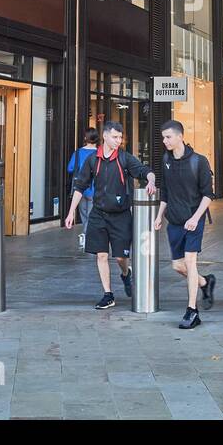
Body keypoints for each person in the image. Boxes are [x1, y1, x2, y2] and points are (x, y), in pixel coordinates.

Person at [65, 122, 155, 309]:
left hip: (121, 215)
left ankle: (125, 273)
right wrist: (71, 211)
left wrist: (151, 181)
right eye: (115, 137)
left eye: (120, 137)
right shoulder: (93, 160)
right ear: (105, 137)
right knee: (102, 255)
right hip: (98, 213)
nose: (118, 141)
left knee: (121, 257)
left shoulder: (125, 158)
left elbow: (145, 171)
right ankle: (108, 294)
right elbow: (80, 186)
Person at [154, 119, 217, 329]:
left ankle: (192, 311)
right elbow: (165, 192)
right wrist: (159, 215)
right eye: (163, 137)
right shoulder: (166, 160)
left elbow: (208, 195)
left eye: (168, 137)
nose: (165, 141)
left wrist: (195, 218)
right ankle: (205, 282)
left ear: (180, 136)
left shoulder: (199, 161)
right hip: (174, 221)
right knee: (177, 266)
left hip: (193, 220)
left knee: (190, 262)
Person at [67, 128, 99, 249]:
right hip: (94, 188)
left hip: (79, 189)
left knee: (83, 213)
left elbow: (70, 168)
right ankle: (87, 235)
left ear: (85, 138)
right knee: (91, 213)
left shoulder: (78, 153)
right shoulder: (99, 153)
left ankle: (85, 235)